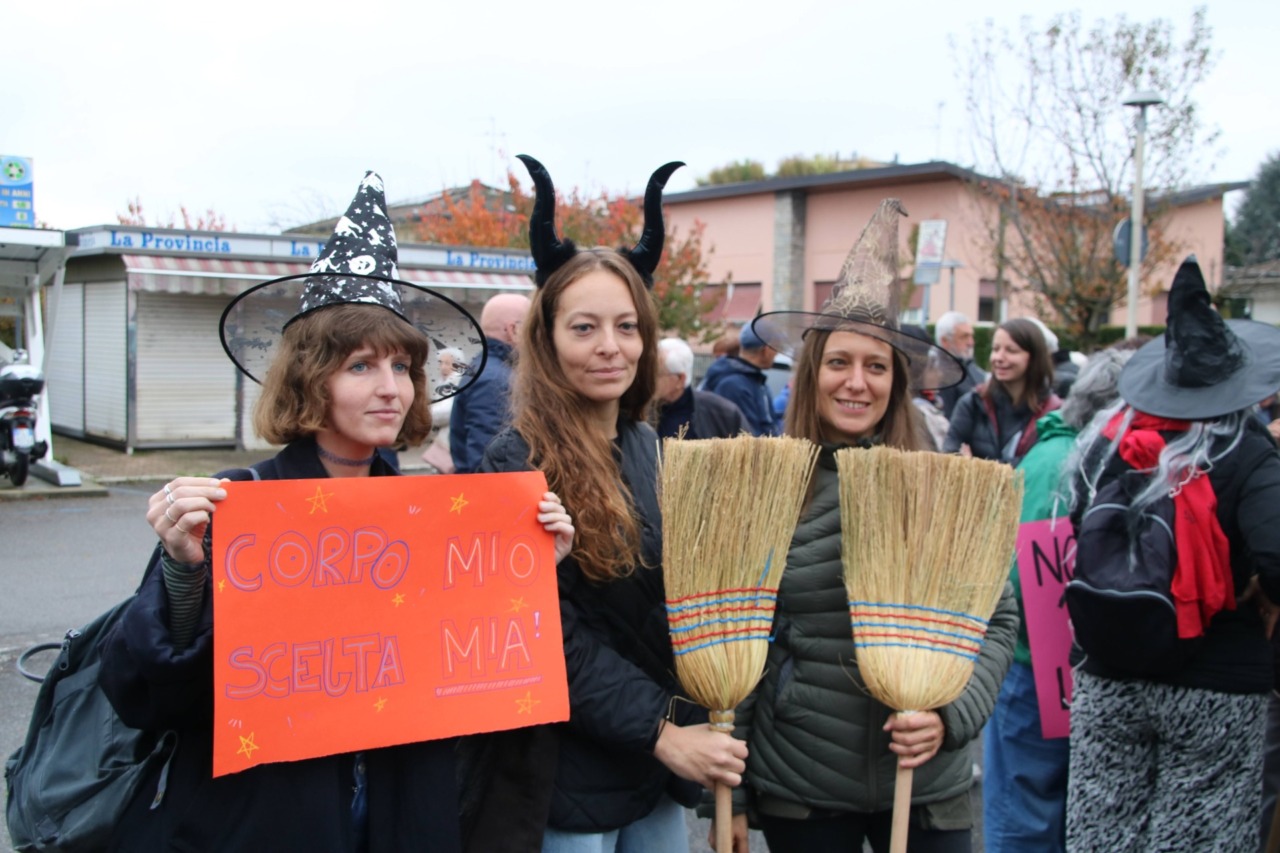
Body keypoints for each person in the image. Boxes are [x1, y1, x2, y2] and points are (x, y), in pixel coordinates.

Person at [96, 173, 574, 852]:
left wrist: (524, 572)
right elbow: (141, 692)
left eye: (403, 367)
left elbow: (470, 673)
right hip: (263, 820)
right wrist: (183, 571)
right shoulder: (237, 503)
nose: (390, 388)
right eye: (360, 366)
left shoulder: (434, 517)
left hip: (399, 814)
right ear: (310, 377)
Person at [472, 154, 747, 853]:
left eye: (626, 327)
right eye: (584, 327)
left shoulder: (650, 449)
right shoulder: (514, 461)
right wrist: (664, 732)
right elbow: (544, 636)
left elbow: (671, 613)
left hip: (652, 767)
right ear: (547, 337)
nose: (610, 347)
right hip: (567, 775)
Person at [726, 199, 1016, 853]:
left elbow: (998, 619)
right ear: (811, 374)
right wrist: (736, 795)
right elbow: (738, 641)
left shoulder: (938, 484)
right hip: (801, 782)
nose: (856, 382)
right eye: (839, 362)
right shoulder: (767, 488)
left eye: (876, 366)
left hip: (925, 782)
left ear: (896, 380)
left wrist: (950, 716)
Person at [1064, 257, 1280, 852]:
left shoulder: (1104, 444)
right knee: (1200, 836)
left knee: (1102, 834)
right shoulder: (1250, 453)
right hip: (1216, 682)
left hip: (1108, 674)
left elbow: (1080, 533)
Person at [981, 346, 1134, 853]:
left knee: (1033, 805)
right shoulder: (1070, 460)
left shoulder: (1055, 453)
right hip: (1038, 665)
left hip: (1053, 667)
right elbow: (1023, 583)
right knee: (1031, 810)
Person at [943, 318, 1058, 466]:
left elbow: (1040, 466)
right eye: (996, 349)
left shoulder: (1052, 414)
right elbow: (949, 458)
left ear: (1034, 357)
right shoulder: (972, 404)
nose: (998, 358)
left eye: (1011, 350)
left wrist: (976, 466)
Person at [449, 291, 531, 473]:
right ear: (513, 330)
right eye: (533, 327)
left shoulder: (487, 369)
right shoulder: (494, 380)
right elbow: (488, 460)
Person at [654, 336, 748, 439]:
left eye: (655, 374)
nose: (647, 379)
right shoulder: (639, 412)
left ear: (680, 379)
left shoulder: (722, 414)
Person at [702, 322, 780, 435]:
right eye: (776, 347)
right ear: (766, 350)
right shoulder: (734, 386)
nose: (776, 353)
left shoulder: (754, 381)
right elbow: (747, 439)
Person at [934, 311, 986, 418]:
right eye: (964, 337)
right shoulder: (938, 374)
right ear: (945, 341)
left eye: (971, 336)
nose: (971, 342)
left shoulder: (969, 365)